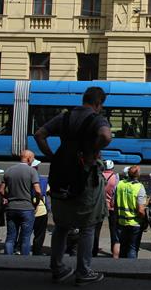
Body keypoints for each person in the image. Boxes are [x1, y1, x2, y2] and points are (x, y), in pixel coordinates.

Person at [35, 86, 112, 286]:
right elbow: (106, 136)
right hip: (85, 176)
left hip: (61, 173)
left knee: (61, 225)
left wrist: (52, 156)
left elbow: (39, 134)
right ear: (98, 104)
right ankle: (83, 271)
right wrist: (92, 150)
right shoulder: (97, 118)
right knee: (87, 225)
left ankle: (58, 267)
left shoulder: (65, 117)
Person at [2, 150, 41, 256]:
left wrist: (7, 198)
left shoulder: (9, 170)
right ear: (28, 158)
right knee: (25, 238)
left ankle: (7, 261)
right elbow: (38, 191)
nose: (32, 160)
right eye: (32, 158)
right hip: (27, 208)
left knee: (10, 237)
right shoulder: (32, 171)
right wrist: (36, 203)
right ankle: (24, 261)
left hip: (11, 207)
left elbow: (1, 190)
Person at [115, 165, 146, 258]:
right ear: (137, 175)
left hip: (121, 221)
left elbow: (115, 203)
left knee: (123, 246)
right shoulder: (139, 187)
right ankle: (131, 269)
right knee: (132, 247)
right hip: (134, 223)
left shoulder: (120, 184)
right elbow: (141, 210)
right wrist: (144, 219)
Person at [92, 160, 119, 259]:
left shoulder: (99, 177)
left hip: (99, 206)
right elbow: (116, 192)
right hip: (112, 207)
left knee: (96, 230)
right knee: (113, 230)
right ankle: (114, 250)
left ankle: (93, 250)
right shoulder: (115, 178)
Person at [31, 159, 50, 255]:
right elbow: (45, 192)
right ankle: (37, 251)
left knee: (25, 233)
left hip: (25, 209)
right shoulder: (42, 180)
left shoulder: (22, 177)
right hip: (40, 210)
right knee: (39, 234)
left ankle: (20, 249)